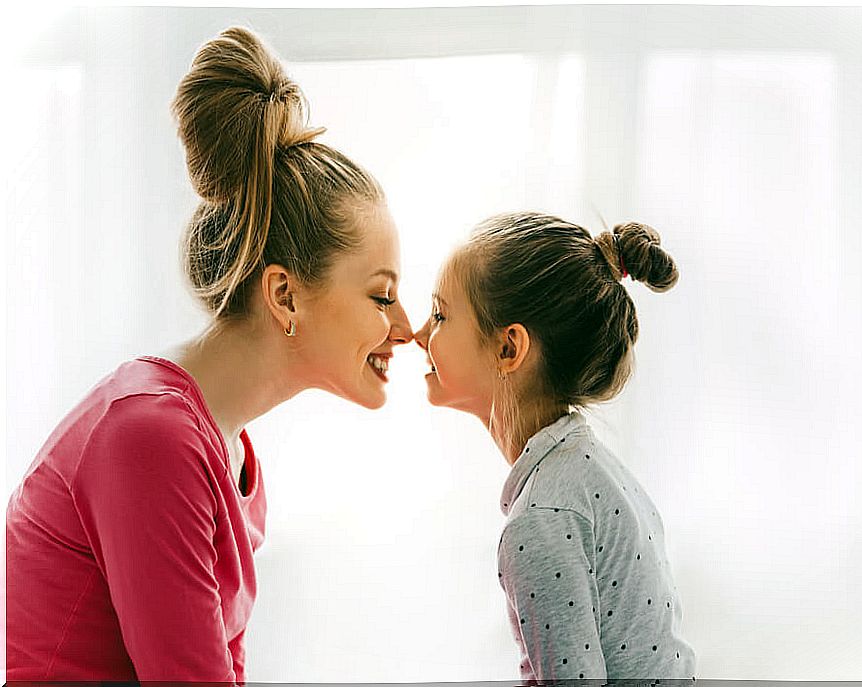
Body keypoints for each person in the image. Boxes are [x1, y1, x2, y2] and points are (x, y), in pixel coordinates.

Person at [5, 26, 412, 681]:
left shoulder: (234, 458)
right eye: (382, 294)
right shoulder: (150, 436)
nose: (408, 326)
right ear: (284, 294)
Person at [414, 211, 696, 681]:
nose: (419, 334)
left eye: (440, 315)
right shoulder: (588, 472)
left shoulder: (542, 519)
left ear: (509, 349)